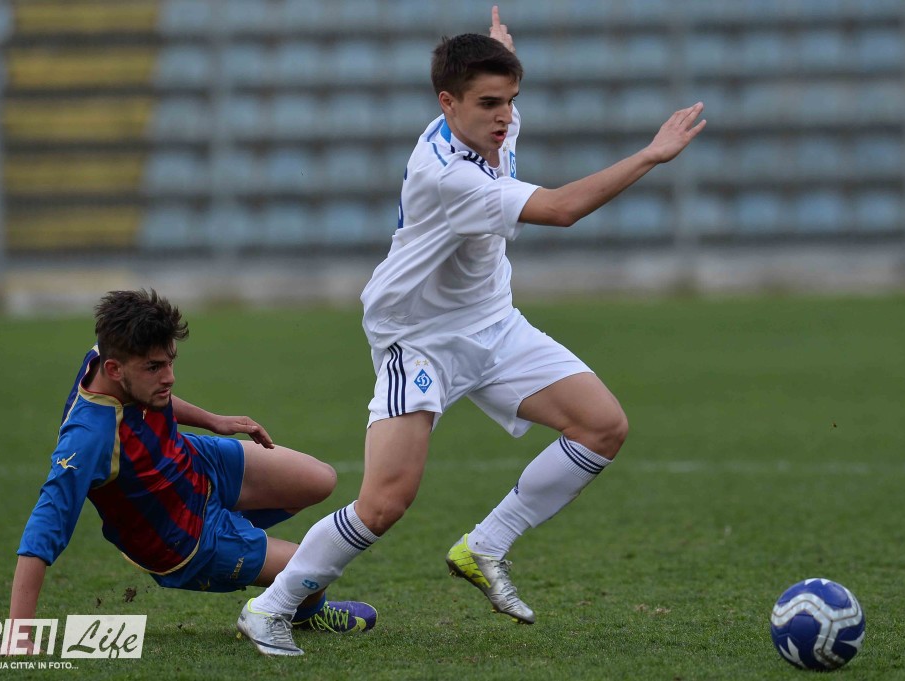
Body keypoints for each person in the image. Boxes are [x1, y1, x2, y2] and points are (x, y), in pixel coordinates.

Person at [242, 6, 706, 653]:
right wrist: (652, 154)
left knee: (602, 426)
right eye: (489, 103)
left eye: (511, 100)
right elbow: (562, 209)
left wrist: (494, 54)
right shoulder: (448, 175)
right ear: (447, 103)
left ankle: (485, 545)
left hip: (493, 322)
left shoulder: (487, 124)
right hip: (419, 338)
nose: (505, 116)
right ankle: (271, 606)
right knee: (385, 502)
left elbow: (494, 99)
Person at [8, 289, 376, 658]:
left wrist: (213, 421)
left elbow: (153, 395)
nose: (169, 378)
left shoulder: (109, 352)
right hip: (185, 537)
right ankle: (305, 612)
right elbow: (45, 528)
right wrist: (18, 635)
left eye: (171, 362)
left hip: (196, 462)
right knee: (313, 570)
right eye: (155, 367)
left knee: (319, 480)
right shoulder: (89, 438)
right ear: (114, 370)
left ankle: (243, 536)